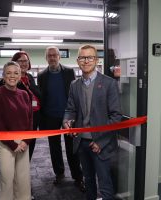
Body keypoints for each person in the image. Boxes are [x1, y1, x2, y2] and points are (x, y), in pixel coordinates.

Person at [63, 44, 122, 200]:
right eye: (82, 57)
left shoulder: (109, 84)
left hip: (101, 144)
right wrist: (67, 121)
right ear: (78, 61)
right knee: (88, 181)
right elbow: (70, 109)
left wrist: (101, 142)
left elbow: (116, 117)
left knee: (105, 184)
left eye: (90, 57)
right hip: (82, 143)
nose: (86, 61)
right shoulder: (74, 85)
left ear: (96, 60)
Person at [37, 46, 85, 191]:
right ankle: (59, 173)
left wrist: (77, 114)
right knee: (54, 147)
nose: (52, 58)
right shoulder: (41, 75)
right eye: (49, 56)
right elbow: (41, 97)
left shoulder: (69, 72)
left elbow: (75, 93)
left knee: (72, 148)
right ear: (46, 58)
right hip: (50, 116)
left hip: (68, 116)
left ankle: (78, 177)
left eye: (54, 55)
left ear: (59, 56)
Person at [0, 61, 33, 200]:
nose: (12, 76)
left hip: (24, 142)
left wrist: (25, 141)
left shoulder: (24, 94)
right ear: (3, 75)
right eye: (8, 73)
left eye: (16, 73)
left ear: (20, 75)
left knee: (23, 179)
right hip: (6, 143)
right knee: (7, 179)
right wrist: (13, 144)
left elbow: (30, 119)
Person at [0, 51, 41, 160]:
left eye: (25, 61)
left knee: (29, 148)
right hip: (18, 123)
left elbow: (36, 94)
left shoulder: (30, 77)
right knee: (16, 153)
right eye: (20, 61)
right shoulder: (8, 80)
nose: (24, 63)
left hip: (33, 118)